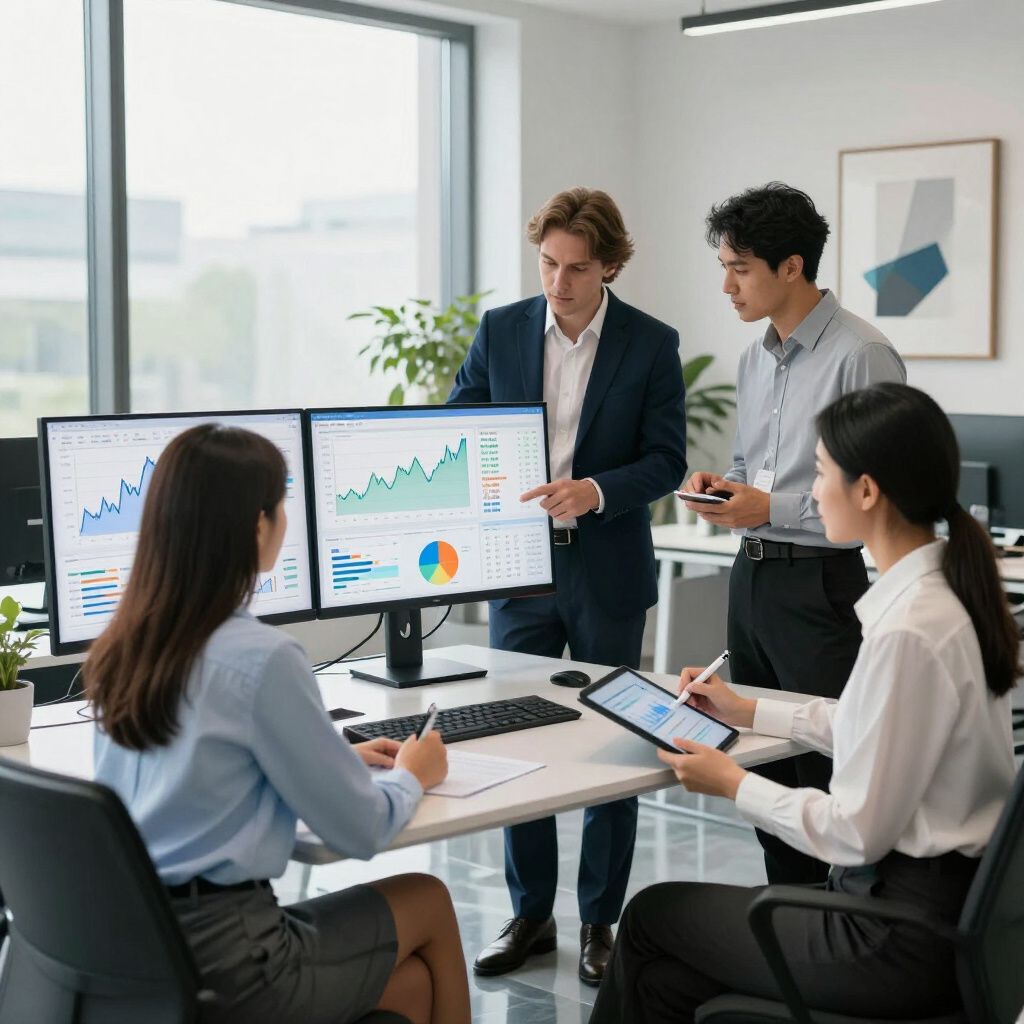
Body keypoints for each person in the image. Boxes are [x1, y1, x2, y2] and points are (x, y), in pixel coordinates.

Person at [591, 382, 1020, 1023]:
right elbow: (874, 726)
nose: (814, 493)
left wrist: (733, 782)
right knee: (666, 983)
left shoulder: (909, 630)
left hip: (892, 939)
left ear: (866, 491)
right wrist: (746, 711)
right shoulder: (946, 596)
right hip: (941, 920)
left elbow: (854, 831)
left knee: (650, 917)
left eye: (820, 473)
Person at [85, 424, 471, 1024]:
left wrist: (324, 764)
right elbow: (362, 830)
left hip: (136, 952)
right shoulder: (263, 658)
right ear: (256, 527)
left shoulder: (122, 646)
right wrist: (413, 775)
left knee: (415, 987)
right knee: (427, 897)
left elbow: (192, 787)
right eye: (281, 504)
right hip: (232, 959)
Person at [449, 187, 687, 984]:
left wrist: (596, 491)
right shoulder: (501, 329)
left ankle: (599, 922)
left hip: (606, 567)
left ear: (609, 266)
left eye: (577, 268)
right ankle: (529, 916)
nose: (558, 282)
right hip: (520, 568)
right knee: (515, 741)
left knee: (613, 745)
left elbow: (667, 459)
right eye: (548, 264)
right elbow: (458, 423)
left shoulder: (651, 343)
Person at [679, 182, 906, 885]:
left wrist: (768, 508)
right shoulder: (755, 359)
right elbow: (749, 467)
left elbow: (878, 495)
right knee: (761, 761)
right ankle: (790, 915)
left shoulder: (863, 355)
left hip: (819, 585)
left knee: (828, 770)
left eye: (740, 269)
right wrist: (724, 492)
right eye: (724, 267)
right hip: (752, 580)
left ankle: (838, 923)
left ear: (792, 267)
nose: (727, 286)